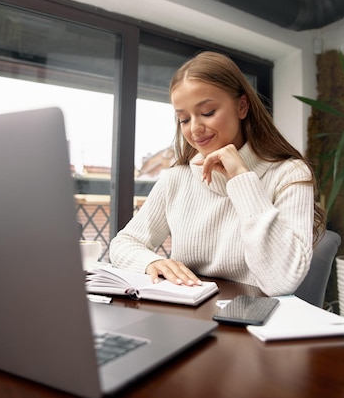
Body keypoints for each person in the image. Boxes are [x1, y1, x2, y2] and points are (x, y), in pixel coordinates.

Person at [110, 51, 325, 296]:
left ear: (241, 106)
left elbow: (282, 281)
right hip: (191, 313)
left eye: (208, 112)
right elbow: (123, 244)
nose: (195, 129)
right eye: (184, 119)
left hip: (256, 321)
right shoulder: (176, 178)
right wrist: (151, 262)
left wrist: (242, 179)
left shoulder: (289, 173)